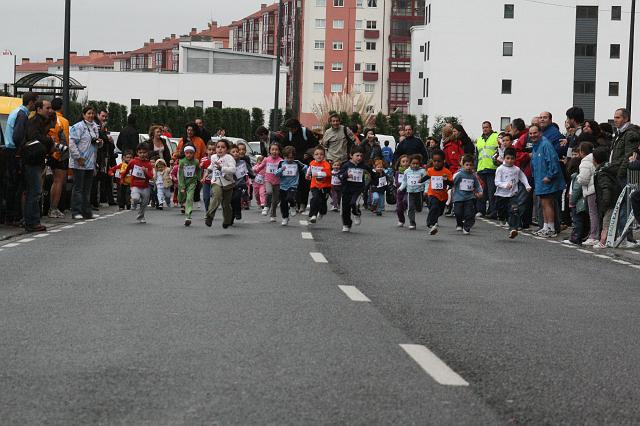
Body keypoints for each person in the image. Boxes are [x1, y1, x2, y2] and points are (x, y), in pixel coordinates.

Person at [3, 92, 38, 225]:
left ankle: (9, 216)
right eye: (35, 102)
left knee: (12, 185)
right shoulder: (22, 115)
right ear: (31, 102)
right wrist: (24, 148)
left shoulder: (16, 111)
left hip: (10, 150)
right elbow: (18, 136)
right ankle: (12, 216)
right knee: (16, 185)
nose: (36, 105)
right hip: (14, 152)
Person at [22, 100, 55, 232]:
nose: (50, 110)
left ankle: (33, 220)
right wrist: (49, 141)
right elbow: (34, 137)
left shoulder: (41, 121)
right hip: (32, 161)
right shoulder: (35, 121)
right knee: (34, 192)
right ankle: (32, 222)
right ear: (39, 109)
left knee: (35, 192)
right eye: (47, 108)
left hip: (37, 161)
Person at [530, 125, 566, 238]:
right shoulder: (536, 146)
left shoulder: (545, 144)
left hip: (547, 180)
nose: (532, 135)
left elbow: (553, 161)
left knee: (547, 203)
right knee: (543, 203)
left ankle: (551, 228)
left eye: (535, 133)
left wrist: (549, 176)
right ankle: (545, 227)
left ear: (540, 133)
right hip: (540, 180)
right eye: (530, 134)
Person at [69, 106, 103, 220]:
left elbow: (95, 144)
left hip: (90, 162)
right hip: (79, 162)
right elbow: (72, 142)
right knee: (78, 188)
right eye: (88, 113)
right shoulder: (78, 127)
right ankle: (76, 211)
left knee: (87, 189)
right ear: (83, 115)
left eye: (93, 113)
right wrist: (78, 157)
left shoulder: (95, 127)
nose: (91, 115)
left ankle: (86, 212)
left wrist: (100, 142)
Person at [494, 148, 531, 239]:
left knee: (514, 211)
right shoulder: (500, 169)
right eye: (508, 158)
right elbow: (497, 182)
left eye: (512, 158)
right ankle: (502, 218)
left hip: (513, 195)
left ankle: (513, 229)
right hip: (501, 195)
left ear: (515, 159)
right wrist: (505, 185)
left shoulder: (516, 169)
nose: (510, 161)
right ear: (504, 158)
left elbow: (522, 177)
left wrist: (527, 185)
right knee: (502, 212)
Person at [338, 145, 376, 232]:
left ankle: (356, 213)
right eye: (357, 155)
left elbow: (372, 174)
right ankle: (346, 224)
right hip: (346, 189)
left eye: (361, 156)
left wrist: (375, 181)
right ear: (351, 155)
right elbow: (339, 175)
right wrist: (346, 175)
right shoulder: (346, 165)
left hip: (358, 189)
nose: (359, 158)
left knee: (354, 203)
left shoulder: (363, 166)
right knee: (345, 208)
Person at [593, 147, 622, 249]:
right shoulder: (608, 169)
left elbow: (606, 188)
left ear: (595, 160)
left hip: (608, 202)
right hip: (613, 200)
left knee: (606, 222)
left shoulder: (602, 173)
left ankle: (603, 241)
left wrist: (605, 202)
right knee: (609, 222)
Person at [204, 139, 236, 229]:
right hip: (216, 181)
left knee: (226, 204)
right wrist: (208, 172)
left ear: (227, 149)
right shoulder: (213, 157)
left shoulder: (229, 158)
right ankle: (209, 216)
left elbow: (233, 170)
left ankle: (227, 220)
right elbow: (212, 166)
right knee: (217, 196)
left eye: (223, 147)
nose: (220, 149)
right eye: (218, 147)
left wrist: (222, 168)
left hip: (228, 183)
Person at [47, 97, 70, 219]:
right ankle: (53, 208)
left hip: (48, 153)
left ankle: (49, 208)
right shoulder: (62, 121)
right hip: (59, 155)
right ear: (61, 107)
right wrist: (63, 154)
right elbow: (65, 139)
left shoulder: (48, 118)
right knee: (58, 181)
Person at [274, 146, 307, 226]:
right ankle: (285, 217)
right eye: (287, 158)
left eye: (291, 158)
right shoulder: (281, 163)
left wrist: (306, 170)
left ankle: (292, 205)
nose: (289, 160)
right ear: (284, 156)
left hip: (293, 185)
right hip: (283, 186)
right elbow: (276, 174)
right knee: (283, 203)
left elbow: (305, 167)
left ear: (294, 157)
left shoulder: (297, 163)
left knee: (290, 197)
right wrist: (281, 169)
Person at [121, 143, 153, 223]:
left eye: (144, 152)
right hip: (135, 185)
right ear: (137, 153)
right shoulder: (133, 162)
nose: (142, 154)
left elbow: (151, 176)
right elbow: (127, 170)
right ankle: (134, 203)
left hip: (145, 186)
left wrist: (146, 172)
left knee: (144, 203)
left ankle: (141, 216)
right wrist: (122, 177)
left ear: (147, 153)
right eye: (140, 152)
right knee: (135, 198)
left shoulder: (148, 164)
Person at [452, 154, 483, 234]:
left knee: (469, 213)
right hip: (458, 198)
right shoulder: (459, 174)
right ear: (463, 165)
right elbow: (452, 182)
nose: (469, 167)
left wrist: (480, 192)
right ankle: (459, 224)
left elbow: (477, 185)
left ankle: (466, 227)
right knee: (458, 213)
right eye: (467, 165)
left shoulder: (473, 176)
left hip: (469, 198)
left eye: (471, 165)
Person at [425, 150, 453, 235]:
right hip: (432, 193)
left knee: (440, 212)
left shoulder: (447, 172)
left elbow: (452, 183)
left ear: (443, 161)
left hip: (443, 196)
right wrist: (420, 180)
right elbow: (426, 177)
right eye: (434, 161)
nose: (436, 163)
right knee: (434, 206)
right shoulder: (430, 170)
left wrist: (446, 180)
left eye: (439, 161)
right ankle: (431, 223)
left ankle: (434, 219)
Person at [576, 142, 599, 245]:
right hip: (596, 189)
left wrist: (577, 177)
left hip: (590, 190)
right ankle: (595, 234)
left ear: (582, 151)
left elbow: (584, 180)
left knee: (593, 213)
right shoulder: (594, 159)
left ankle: (593, 236)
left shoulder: (585, 161)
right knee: (597, 213)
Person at [253, 142, 283, 220]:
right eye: (272, 149)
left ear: (279, 151)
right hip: (268, 180)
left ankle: (273, 215)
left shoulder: (281, 161)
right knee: (269, 192)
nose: (274, 151)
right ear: (269, 151)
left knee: (275, 200)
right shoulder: (266, 159)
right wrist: (256, 170)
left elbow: (283, 171)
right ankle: (266, 206)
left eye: (276, 150)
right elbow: (261, 166)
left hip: (277, 182)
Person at [475, 121, 499, 218]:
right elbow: (477, 155)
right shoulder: (479, 139)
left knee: (491, 191)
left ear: (490, 127)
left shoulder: (496, 137)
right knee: (481, 191)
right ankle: (481, 210)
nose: (485, 129)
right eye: (483, 127)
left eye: (486, 127)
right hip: (481, 168)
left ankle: (493, 211)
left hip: (492, 168)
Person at [398, 154, 428, 230]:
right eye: (413, 164)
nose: (415, 165)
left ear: (419, 164)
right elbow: (404, 181)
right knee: (410, 207)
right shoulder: (407, 171)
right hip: (410, 192)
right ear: (410, 164)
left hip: (419, 192)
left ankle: (418, 207)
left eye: (417, 164)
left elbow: (427, 182)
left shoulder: (422, 171)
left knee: (419, 208)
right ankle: (412, 223)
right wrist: (401, 188)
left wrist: (426, 190)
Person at [565, 157, 587, 245]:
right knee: (579, 220)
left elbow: (576, 191)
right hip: (578, 203)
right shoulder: (576, 177)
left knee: (577, 221)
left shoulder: (576, 178)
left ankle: (575, 238)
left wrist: (572, 201)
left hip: (576, 203)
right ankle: (578, 236)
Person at [307, 146, 332, 223]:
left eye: (321, 154)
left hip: (325, 186)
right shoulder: (312, 163)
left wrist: (319, 173)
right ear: (313, 156)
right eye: (316, 154)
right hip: (315, 185)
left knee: (323, 202)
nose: (319, 156)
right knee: (315, 198)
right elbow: (309, 170)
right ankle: (313, 214)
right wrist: (308, 175)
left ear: (324, 156)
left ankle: (322, 212)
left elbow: (328, 173)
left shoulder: (326, 164)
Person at [230, 142, 254, 222]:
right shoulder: (228, 163)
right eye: (234, 152)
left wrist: (253, 176)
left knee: (237, 198)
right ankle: (231, 216)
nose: (236, 153)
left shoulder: (243, 162)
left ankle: (238, 212)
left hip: (240, 185)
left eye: (237, 151)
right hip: (230, 185)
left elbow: (249, 171)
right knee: (231, 201)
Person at [178, 146, 201, 226]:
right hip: (183, 182)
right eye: (187, 153)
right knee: (181, 197)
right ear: (184, 153)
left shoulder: (196, 162)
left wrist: (199, 178)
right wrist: (182, 186)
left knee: (189, 198)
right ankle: (181, 202)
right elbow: (180, 175)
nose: (189, 155)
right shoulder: (182, 162)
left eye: (191, 153)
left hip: (192, 182)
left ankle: (188, 216)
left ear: (194, 153)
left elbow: (198, 170)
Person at [200, 141, 216, 211]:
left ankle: (212, 209)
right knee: (206, 198)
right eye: (210, 150)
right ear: (206, 150)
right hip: (206, 181)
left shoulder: (218, 159)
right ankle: (207, 210)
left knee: (214, 196)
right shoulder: (204, 160)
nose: (211, 151)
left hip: (215, 182)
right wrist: (200, 166)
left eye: (213, 150)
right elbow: (201, 170)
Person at [395, 155, 410, 227]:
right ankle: (401, 220)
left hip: (408, 191)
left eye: (407, 161)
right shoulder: (398, 172)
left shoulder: (411, 171)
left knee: (405, 200)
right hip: (400, 192)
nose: (405, 163)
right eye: (403, 162)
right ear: (400, 163)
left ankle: (407, 208)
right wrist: (402, 184)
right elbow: (396, 183)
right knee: (399, 208)